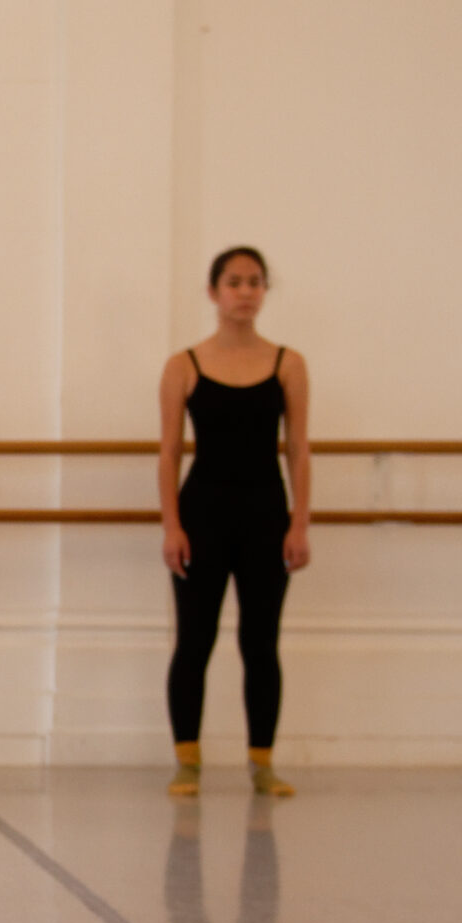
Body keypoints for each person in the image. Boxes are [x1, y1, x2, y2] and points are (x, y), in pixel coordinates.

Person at [158, 246, 310, 798]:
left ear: (264, 291)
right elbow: (170, 451)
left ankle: (262, 761)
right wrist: (172, 526)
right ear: (213, 291)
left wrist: (300, 523)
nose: (245, 291)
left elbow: (297, 448)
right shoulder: (184, 365)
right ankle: (188, 761)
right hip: (203, 515)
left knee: (260, 642)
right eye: (234, 281)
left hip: (267, 516)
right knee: (194, 640)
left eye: (254, 282)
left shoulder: (288, 363)